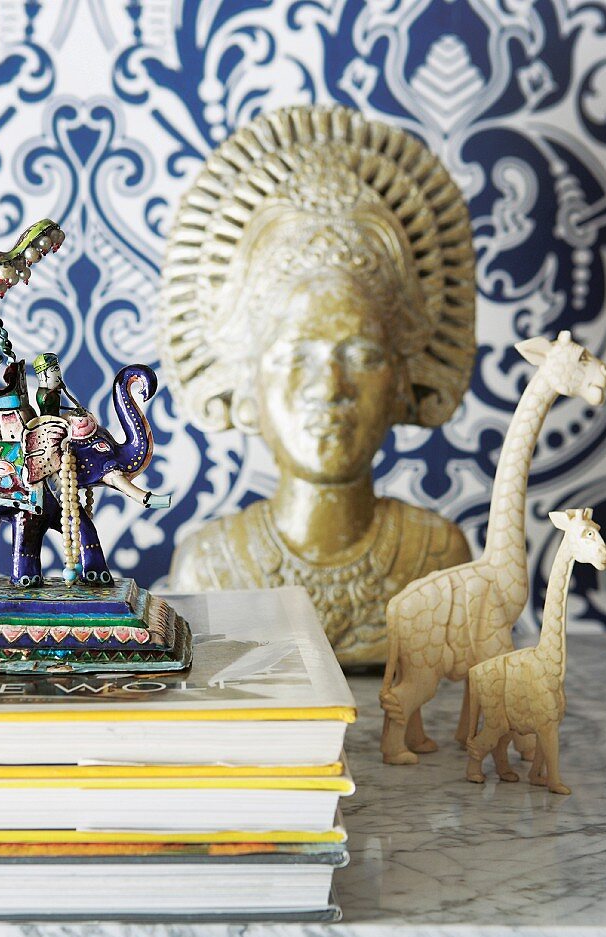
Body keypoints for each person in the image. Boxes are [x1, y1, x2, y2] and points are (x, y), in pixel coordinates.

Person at [160, 106, 476, 666]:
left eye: (362, 355)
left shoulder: (437, 560)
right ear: (245, 384)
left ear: (406, 379)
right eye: (293, 355)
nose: (330, 388)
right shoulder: (210, 567)